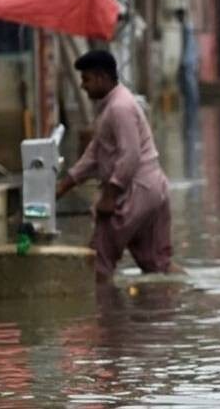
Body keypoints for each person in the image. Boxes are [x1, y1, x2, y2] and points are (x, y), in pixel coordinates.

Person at [56, 50, 182, 282]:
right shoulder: (112, 106)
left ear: (102, 77)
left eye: (86, 80)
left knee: (98, 261)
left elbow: (130, 155)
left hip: (135, 190)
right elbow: (95, 153)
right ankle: (174, 305)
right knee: (158, 267)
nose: (83, 87)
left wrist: (110, 196)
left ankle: (106, 316)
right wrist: (65, 185)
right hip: (153, 189)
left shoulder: (119, 108)